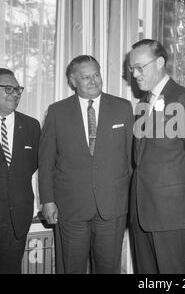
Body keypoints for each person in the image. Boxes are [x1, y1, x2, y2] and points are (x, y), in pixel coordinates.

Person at [38, 55, 134, 274]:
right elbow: (46, 162)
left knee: (108, 268)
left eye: (97, 75)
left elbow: (131, 159)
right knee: (71, 267)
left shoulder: (123, 108)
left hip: (112, 207)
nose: (93, 81)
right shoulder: (56, 112)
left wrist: (131, 202)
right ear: (73, 81)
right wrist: (48, 200)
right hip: (71, 208)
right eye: (86, 77)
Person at [128, 39, 185, 274]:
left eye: (140, 67)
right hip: (141, 208)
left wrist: (183, 196)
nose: (135, 74)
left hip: (169, 210)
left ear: (160, 62)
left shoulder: (183, 99)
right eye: (132, 68)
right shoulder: (144, 103)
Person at [0, 68, 41, 274]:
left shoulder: (32, 126)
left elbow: (33, 165)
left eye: (18, 89)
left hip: (17, 220)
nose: (15, 93)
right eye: (8, 88)